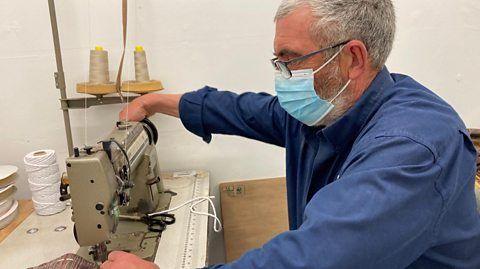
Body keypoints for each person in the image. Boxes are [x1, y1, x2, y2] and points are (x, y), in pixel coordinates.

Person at [101, 0, 480, 268]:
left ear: (353, 58)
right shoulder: (328, 107)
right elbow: (242, 110)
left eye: (289, 58)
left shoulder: (413, 148)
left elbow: (316, 258)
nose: (281, 73)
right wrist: (154, 103)